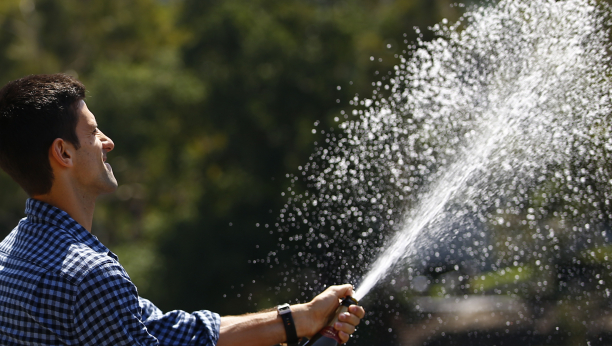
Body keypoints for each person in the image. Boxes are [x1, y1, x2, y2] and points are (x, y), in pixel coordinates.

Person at [0, 74, 365, 346]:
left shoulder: (10, 252)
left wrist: (299, 319)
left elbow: (162, 331)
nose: (107, 142)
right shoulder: (90, 278)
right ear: (63, 153)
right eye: (94, 133)